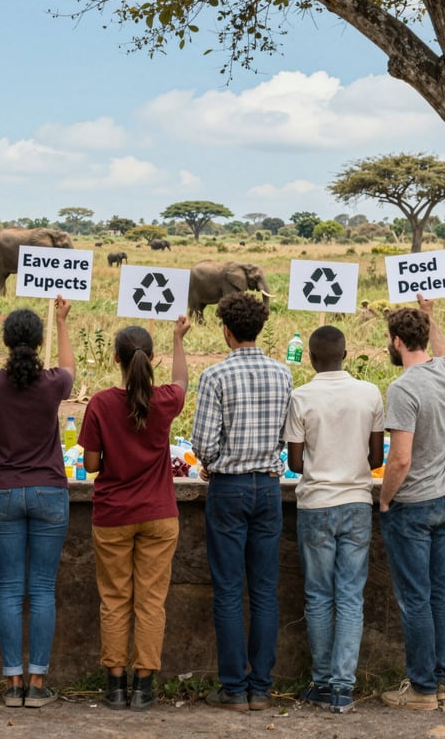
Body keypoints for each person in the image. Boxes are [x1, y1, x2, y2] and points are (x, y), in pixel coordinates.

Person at [78, 316, 190, 712]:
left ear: (115, 359)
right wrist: (179, 339)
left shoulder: (101, 404)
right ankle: (144, 686)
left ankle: (114, 684)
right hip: (160, 514)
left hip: (112, 516)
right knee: (150, 601)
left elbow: (91, 464)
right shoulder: (165, 401)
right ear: (151, 361)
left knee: (114, 599)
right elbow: (182, 384)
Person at [191, 292, 292, 712]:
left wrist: (212, 463)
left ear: (227, 330)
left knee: (229, 590)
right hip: (268, 487)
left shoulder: (215, 376)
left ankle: (234, 689)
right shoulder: (284, 374)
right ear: (261, 328)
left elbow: (202, 443)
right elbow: (287, 435)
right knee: (265, 590)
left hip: (228, 488)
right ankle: (262, 688)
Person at [0, 295, 74, 709]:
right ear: (37, 342)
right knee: (43, 589)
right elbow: (69, 369)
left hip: (6, 491)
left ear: (5, 340)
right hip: (49, 490)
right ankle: (37, 684)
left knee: (11, 588)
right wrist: (64, 322)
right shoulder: (53, 382)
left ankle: (12, 683)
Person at [283, 326, 384, 713]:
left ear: (311, 358)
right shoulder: (369, 393)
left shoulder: (302, 396)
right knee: (350, 596)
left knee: (318, 595)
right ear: (346, 353)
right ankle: (343, 689)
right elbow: (376, 459)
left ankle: (322, 682)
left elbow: (294, 463)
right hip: (357, 503)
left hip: (316, 506)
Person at [379, 294, 445, 711]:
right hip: (444, 499)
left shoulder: (403, 387)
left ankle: (422, 690)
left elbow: (401, 458)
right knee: (435, 595)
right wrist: (431, 317)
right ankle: (438, 681)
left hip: (410, 505)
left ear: (396, 342)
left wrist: (385, 500)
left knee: (414, 600)